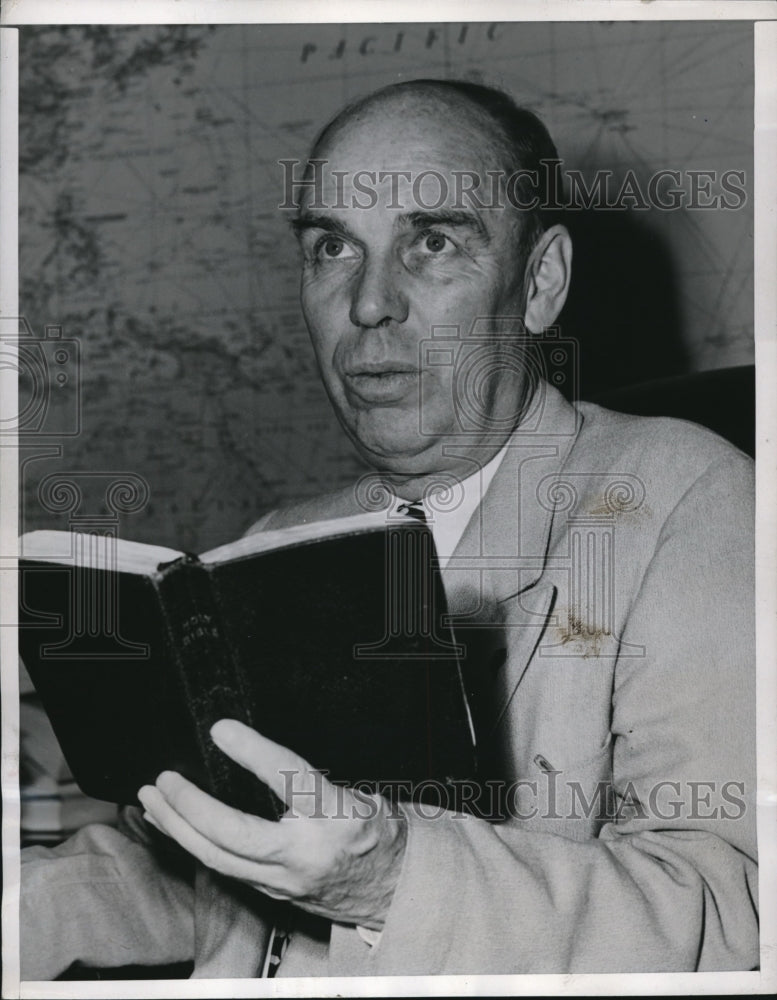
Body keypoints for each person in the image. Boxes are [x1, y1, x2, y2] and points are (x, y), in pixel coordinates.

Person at [20, 79, 757, 978]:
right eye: (333, 246)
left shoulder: (685, 498)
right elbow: (205, 875)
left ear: (538, 283)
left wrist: (390, 879)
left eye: (432, 241)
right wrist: (31, 905)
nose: (369, 304)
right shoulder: (286, 540)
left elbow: (734, 918)